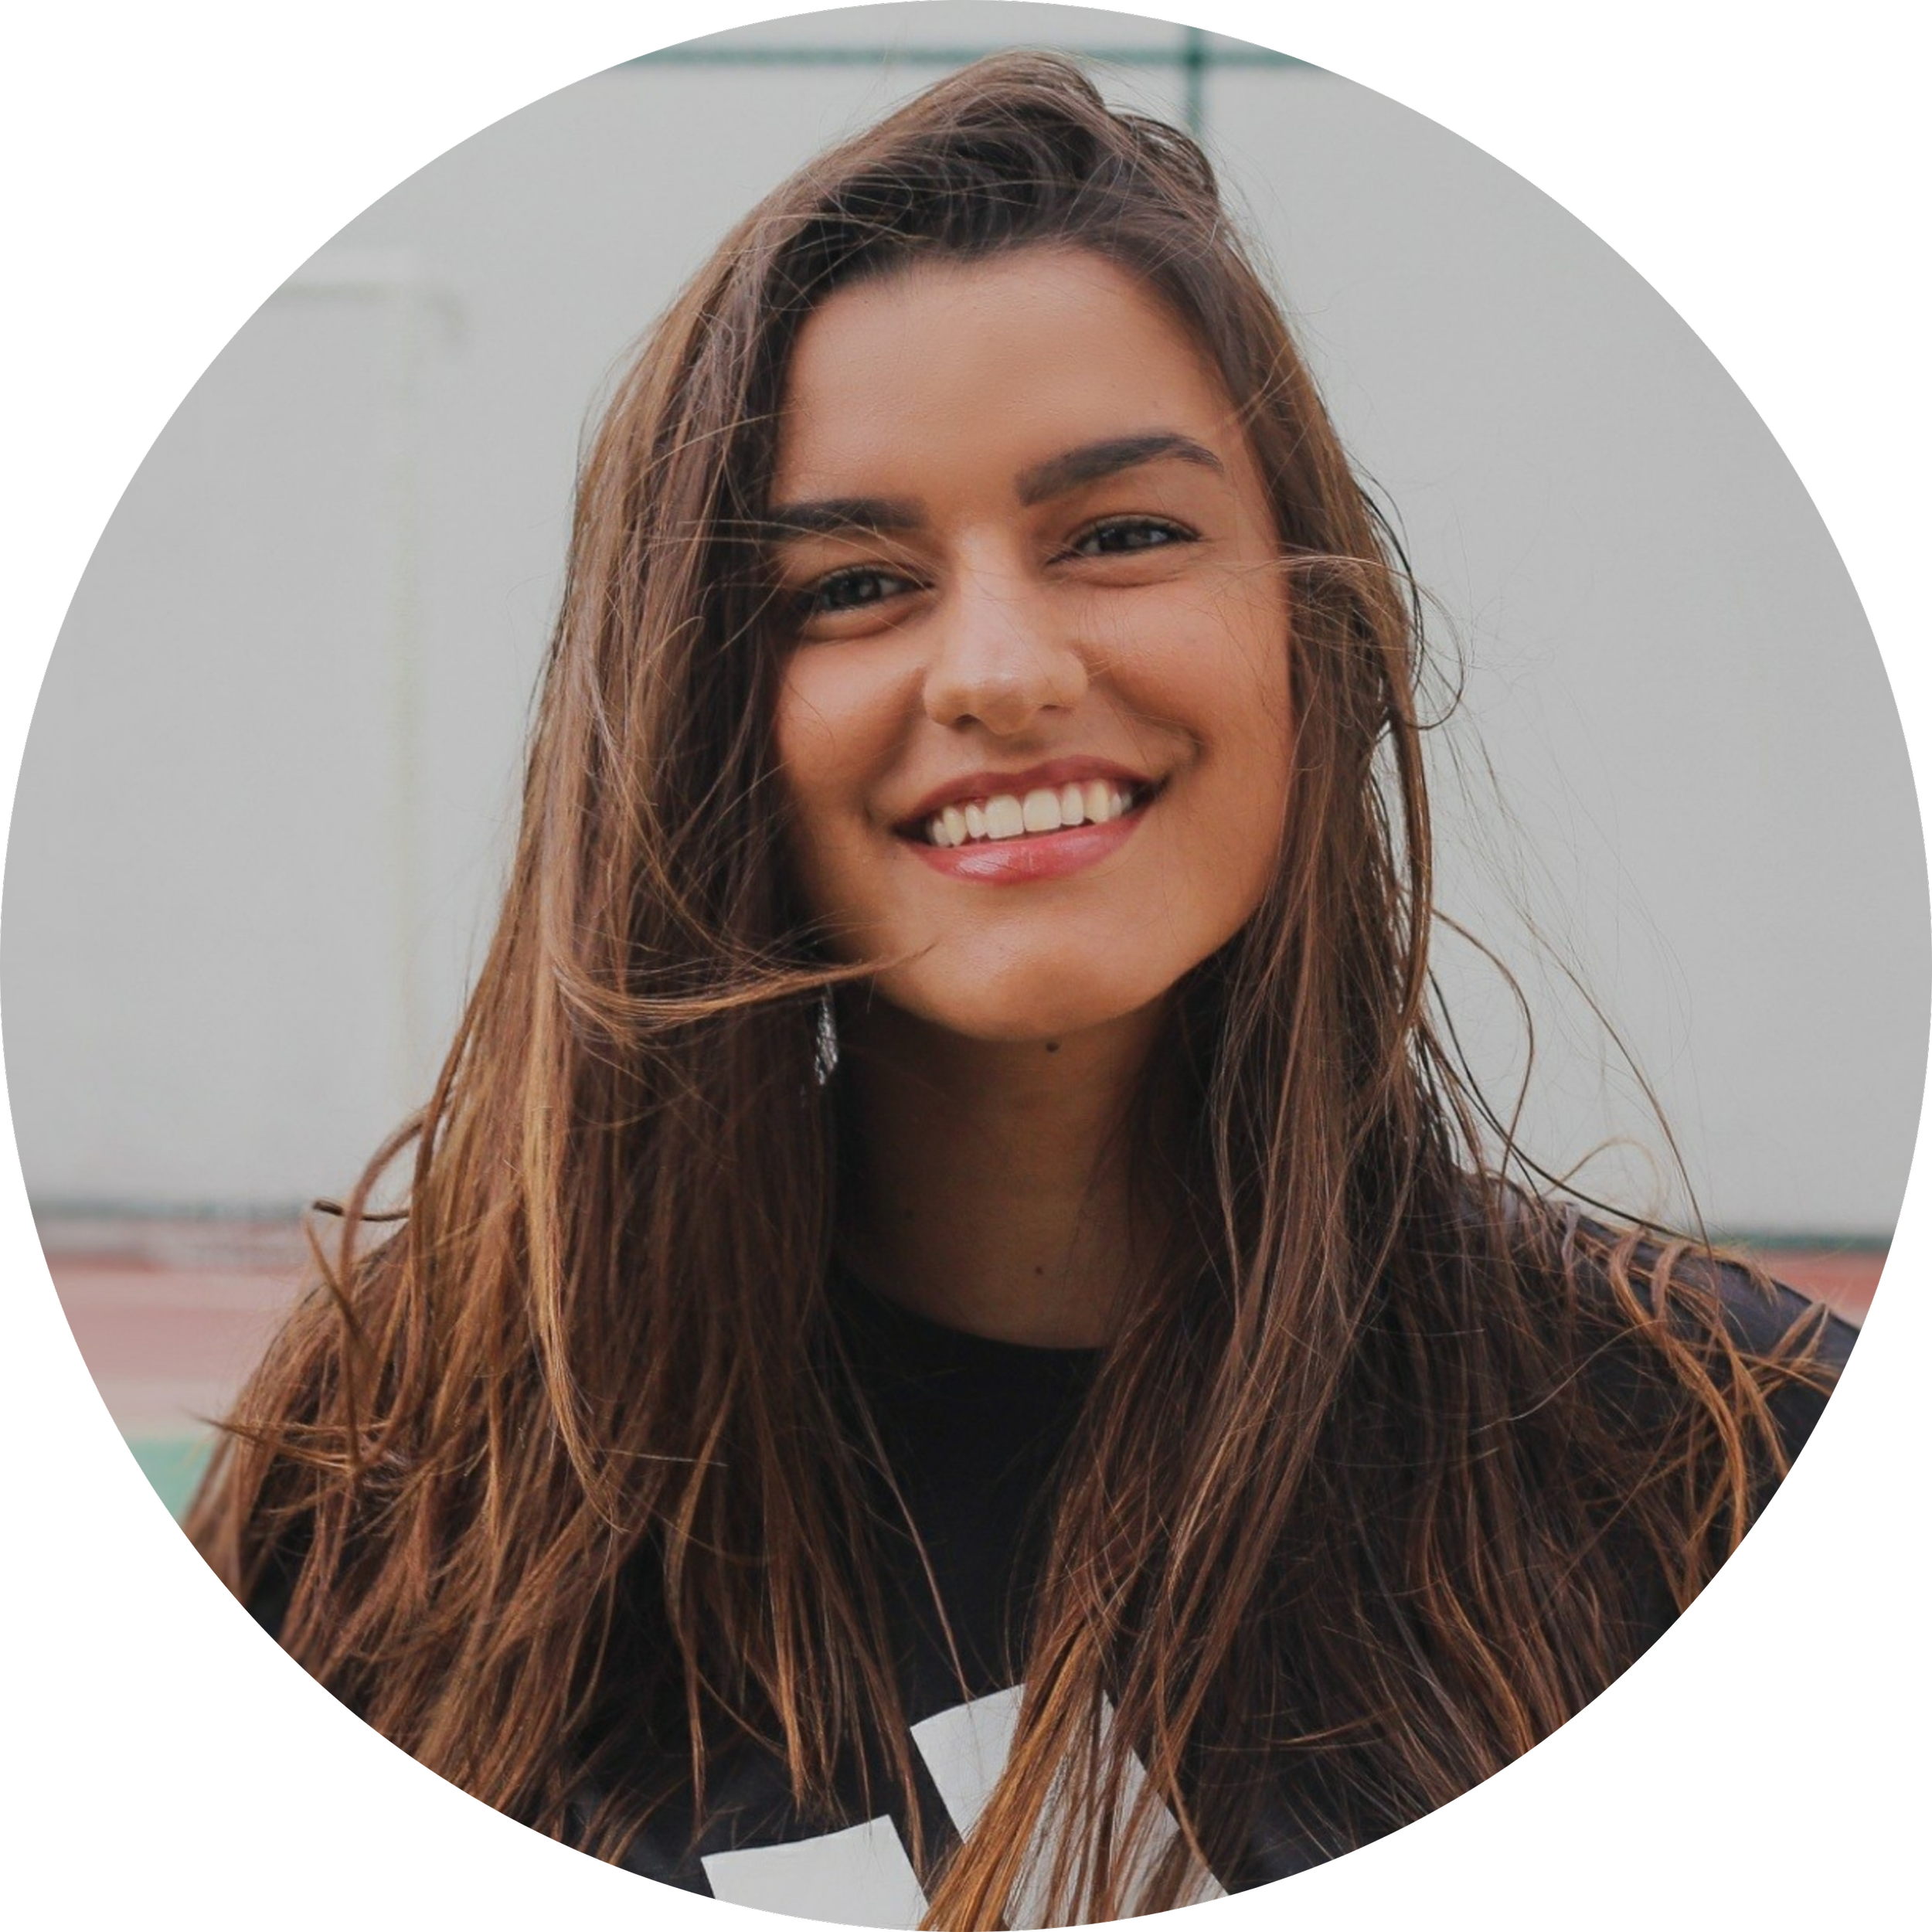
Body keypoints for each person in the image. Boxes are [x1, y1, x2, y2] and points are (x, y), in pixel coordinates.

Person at [184, 52, 1856, 1928]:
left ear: (1313, 627)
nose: (997, 667)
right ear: (694, 716)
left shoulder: (1716, 1457)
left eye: (1121, 534)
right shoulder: (397, 1481)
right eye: (848, 582)